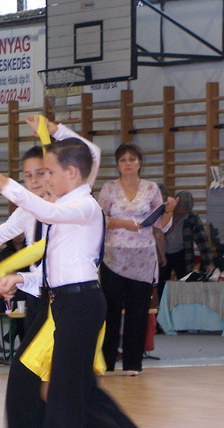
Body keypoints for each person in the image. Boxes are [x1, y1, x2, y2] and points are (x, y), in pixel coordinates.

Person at [0, 139, 168, 428]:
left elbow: (43, 211)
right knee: (83, 399)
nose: (45, 178)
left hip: (80, 306)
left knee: (62, 401)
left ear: (71, 173)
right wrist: (18, 279)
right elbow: (56, 271)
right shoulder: (65, 209)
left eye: (50, 171)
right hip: (67, 304)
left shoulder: (83, 206)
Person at [0, 115, 101, 428]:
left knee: (56, 388)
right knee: (32, 382)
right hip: (43, 300)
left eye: (43, 172)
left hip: (68, 305)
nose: (36, 180)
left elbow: (91, 154)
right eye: (29, 175)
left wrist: (55, 131)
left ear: (58, 172)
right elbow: (2, 232)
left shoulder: (72, 205)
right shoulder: (30, 209)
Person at [98, 143, 175, 376]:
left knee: (138, 311)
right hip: (113, 256)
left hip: (142, 257)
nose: (128, 164)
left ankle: (133, 364)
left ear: (140, 163)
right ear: (117, 164)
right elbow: (99, 219)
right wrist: (123, 223)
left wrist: (169, 210)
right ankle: (106, 362)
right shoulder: (109, 189)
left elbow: (161, 224)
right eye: (123, 160)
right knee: (110, 311)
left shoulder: (151, 189)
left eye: (132, 159)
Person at [158, 190, 214, 299]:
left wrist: (209, 263)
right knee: (161, 284)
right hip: (163, 253)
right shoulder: (165, 213)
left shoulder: (192, 217)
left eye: (185, 211)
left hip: (182, 254)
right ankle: (162, 306)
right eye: (180, 211)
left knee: (185, 283)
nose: (182, 214)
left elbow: (202, 240)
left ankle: (183, 305)